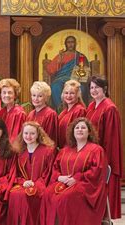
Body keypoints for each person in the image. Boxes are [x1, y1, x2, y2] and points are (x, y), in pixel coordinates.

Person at [39, 117, 107, 225]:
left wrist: (76, 178)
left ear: (89, 132)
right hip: (63, 182)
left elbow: (97, 171)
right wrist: (59, 177)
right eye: (77, 128)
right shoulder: (65, 150)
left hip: (85, 185)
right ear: (73, 131)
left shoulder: (96, 150)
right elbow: (55, 167)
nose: (80, 130)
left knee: (65, 198)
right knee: (47, 194)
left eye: (83, 128)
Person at [86, 75, 122, 219]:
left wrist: (104, 159)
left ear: (105, 89)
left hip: (103, 156)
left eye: (97, 87)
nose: (94, 90)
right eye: (91, 87)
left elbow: (110, 138)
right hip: (91, 155)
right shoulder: (91, 106)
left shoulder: (109, 108)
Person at [6, 121, 55, 225]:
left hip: (41, 185)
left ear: (38, 134)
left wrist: (35, 184)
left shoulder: (47, 151)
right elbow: (16, 173)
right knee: (14, 194)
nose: (28, 136)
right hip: (22, 184)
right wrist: (23, 182)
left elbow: (49, 172)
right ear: (22, 134)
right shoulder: (19, 151)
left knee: (28, 194)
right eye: (26, 133)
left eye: (32, 133)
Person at [46, 36, 90, 108]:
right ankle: (60, 109)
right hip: (61, 79)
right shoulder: (61, 55)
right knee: (55, 86)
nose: (70, 44)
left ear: (75, 43)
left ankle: (77, 109)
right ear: (65, 44)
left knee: (82, 88)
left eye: (72, 42)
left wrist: (81, 72)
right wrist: (59, 61)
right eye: (68, 42)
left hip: (75, 79)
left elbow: (85, 70)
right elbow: (50, 69)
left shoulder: (81, 56)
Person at [57, 79, 86, 148]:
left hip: (72, 148)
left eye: (72, 93)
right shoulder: (64, 111)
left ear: (77, 95)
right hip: (63, 148)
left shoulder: (79, 110)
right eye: (66, 93)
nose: (68, 96)